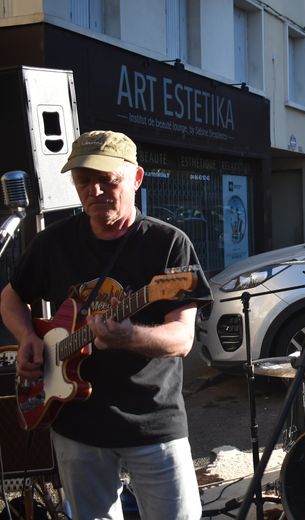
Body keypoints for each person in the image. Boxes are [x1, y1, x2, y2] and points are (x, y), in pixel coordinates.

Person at [2, 130, 212, 519]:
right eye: (84, 181)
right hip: (75, 422)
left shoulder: (168, 244)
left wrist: (130, 336)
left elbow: (182, 338)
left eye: (108, 179)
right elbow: (10, 296)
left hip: (152, 420)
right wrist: (28, 337)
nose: (95, 190)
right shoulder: (54, 243)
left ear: (136, 179)